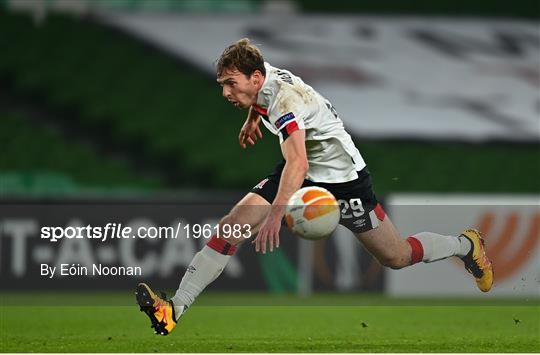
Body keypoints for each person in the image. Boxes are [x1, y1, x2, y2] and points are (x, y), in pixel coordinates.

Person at [135, 38, 493, 336]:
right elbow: (273, 112)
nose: (226, 92)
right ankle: (174, 309)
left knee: (396, 256)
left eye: (232, 84)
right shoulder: (263, 76)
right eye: (223, 85)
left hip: (343, 180)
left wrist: (277, 213)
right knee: (233, 225)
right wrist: (251, 117)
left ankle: (465, 244)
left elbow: (298, 161)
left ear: (255, 77)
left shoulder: (284, 102)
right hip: (305, 173)